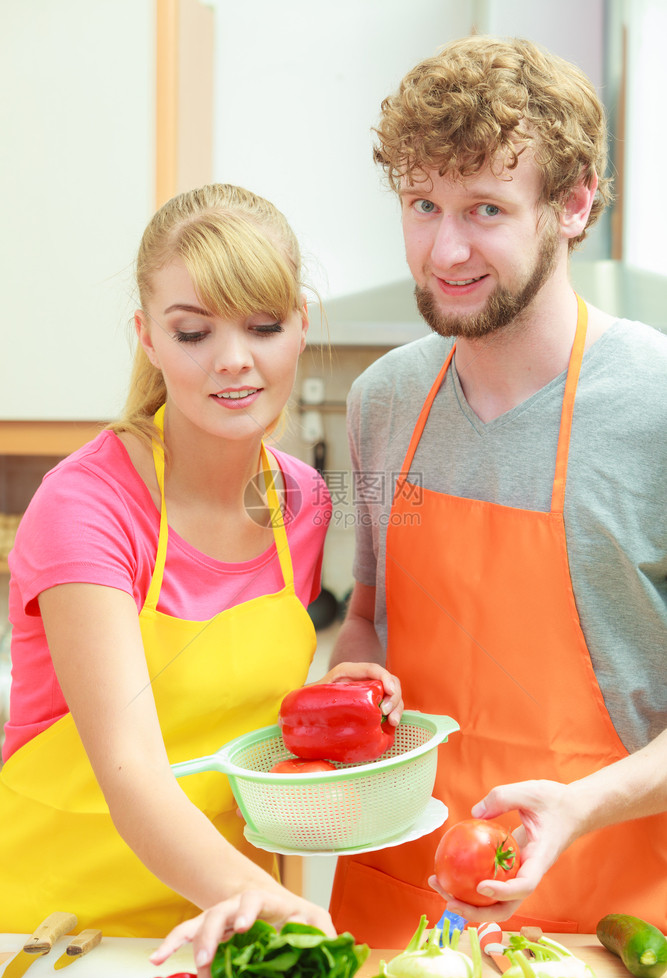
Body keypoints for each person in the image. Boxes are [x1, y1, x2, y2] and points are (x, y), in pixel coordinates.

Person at [326, 36, 667, 947]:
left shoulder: (656, 404)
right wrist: (350, 675)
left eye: (485, 208)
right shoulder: (382, 401)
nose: (445, 248)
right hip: (400, 913)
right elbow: (366, 616)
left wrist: (579, 806)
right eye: (422, 204)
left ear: (573, 203)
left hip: (606, 926)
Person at [0, 182, 403, 935]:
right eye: (193, 333)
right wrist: (291, 913)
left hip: (217, 921)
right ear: (148, 337)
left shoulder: (303, 504)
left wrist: (331, 706)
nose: (233, 361)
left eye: (263, 326)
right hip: (50, 934)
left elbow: (236, 733)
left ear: (299, 327)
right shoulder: (86, 507)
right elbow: (133, 773)